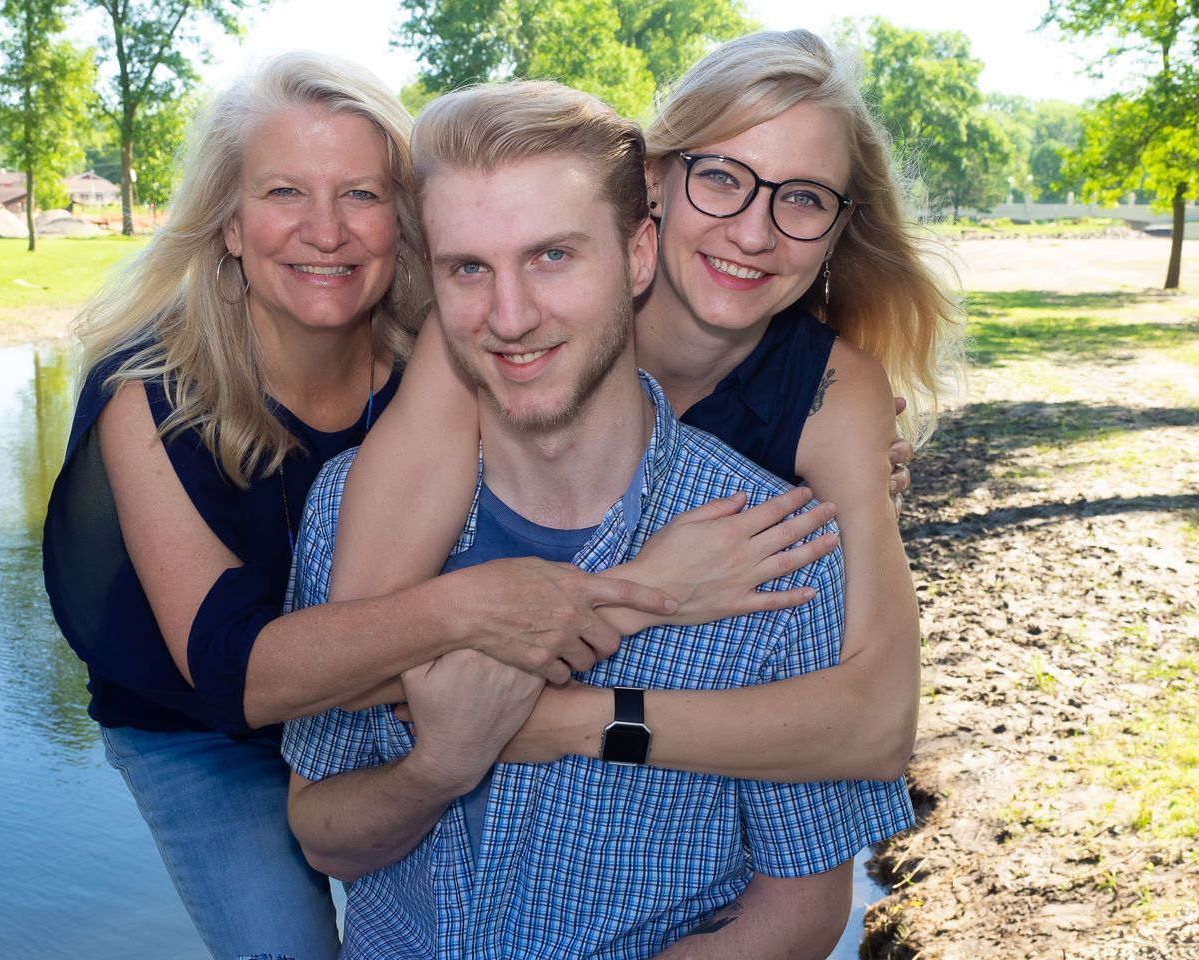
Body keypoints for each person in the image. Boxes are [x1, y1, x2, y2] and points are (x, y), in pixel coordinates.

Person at [41, 53, 800, 960]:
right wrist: (632, 587)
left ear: (404, 228)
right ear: (230, 224)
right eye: (285, 192)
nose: (326, 231)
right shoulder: (148, 394)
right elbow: (238, 677)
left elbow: (597, 346)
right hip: (205, 724)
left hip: (364, 698)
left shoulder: (442, 352)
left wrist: (827, 444)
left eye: (360, 195)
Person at [283, 79, 913, 959]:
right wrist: (439, 765)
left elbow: (817, 877)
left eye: (553, 257)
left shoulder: (783, 535)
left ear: (635, 251)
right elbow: (326, 815)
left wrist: (558, 719)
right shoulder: (365, 494)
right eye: (468, 267)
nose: (510, 316)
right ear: (661, 186)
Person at [330, 28, 960, 785]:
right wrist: (648, 593)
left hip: (665, 817)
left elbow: (878, 725)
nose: (754, 233)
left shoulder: (833, 395)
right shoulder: (517, 325)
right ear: (654, 182)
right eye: (723, 178)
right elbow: (358, 657)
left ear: (838, 227)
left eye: (801, 198)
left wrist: (564, 721)